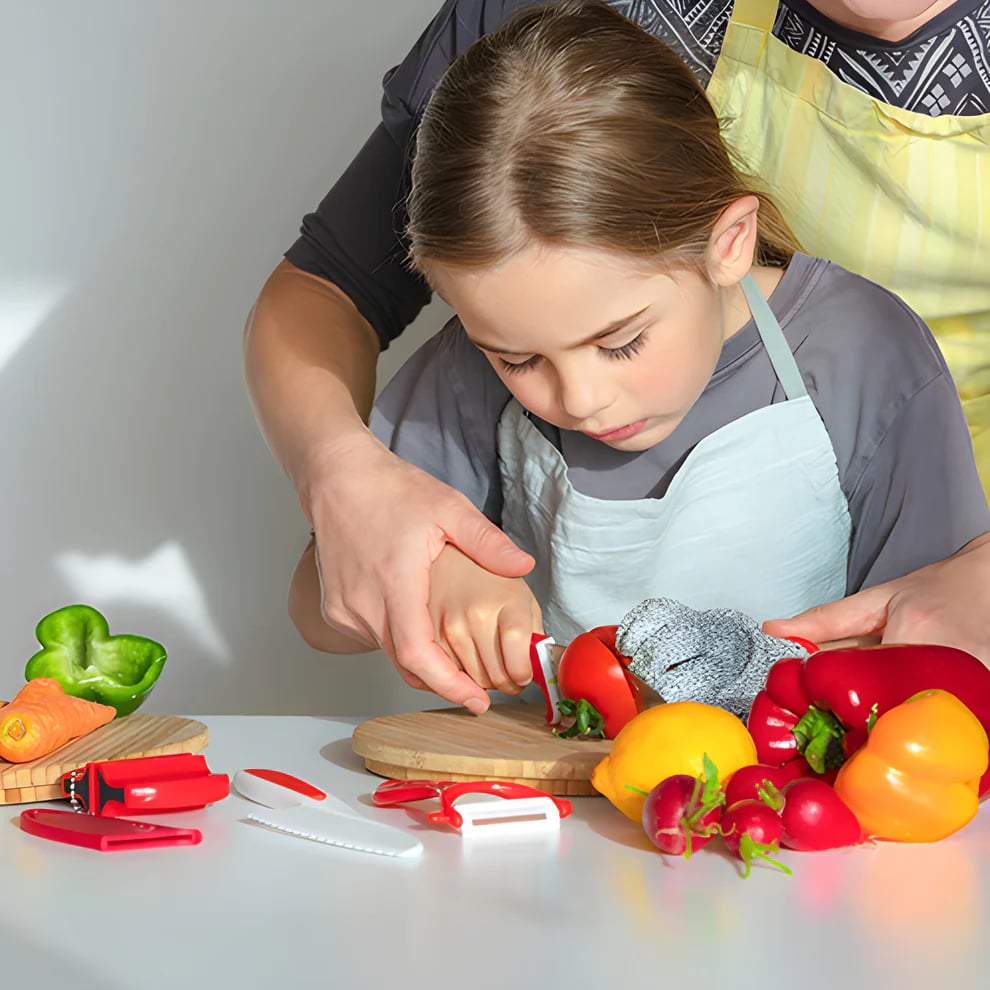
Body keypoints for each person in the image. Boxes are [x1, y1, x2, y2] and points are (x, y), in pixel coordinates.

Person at [244, 0, 990, 714]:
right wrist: (432, 573)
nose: (579, 399)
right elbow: (316, 609)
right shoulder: (469, 375)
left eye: (622, 342)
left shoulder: (867, 354)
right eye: (518, 360)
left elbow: (939, 658)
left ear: (730, 243)